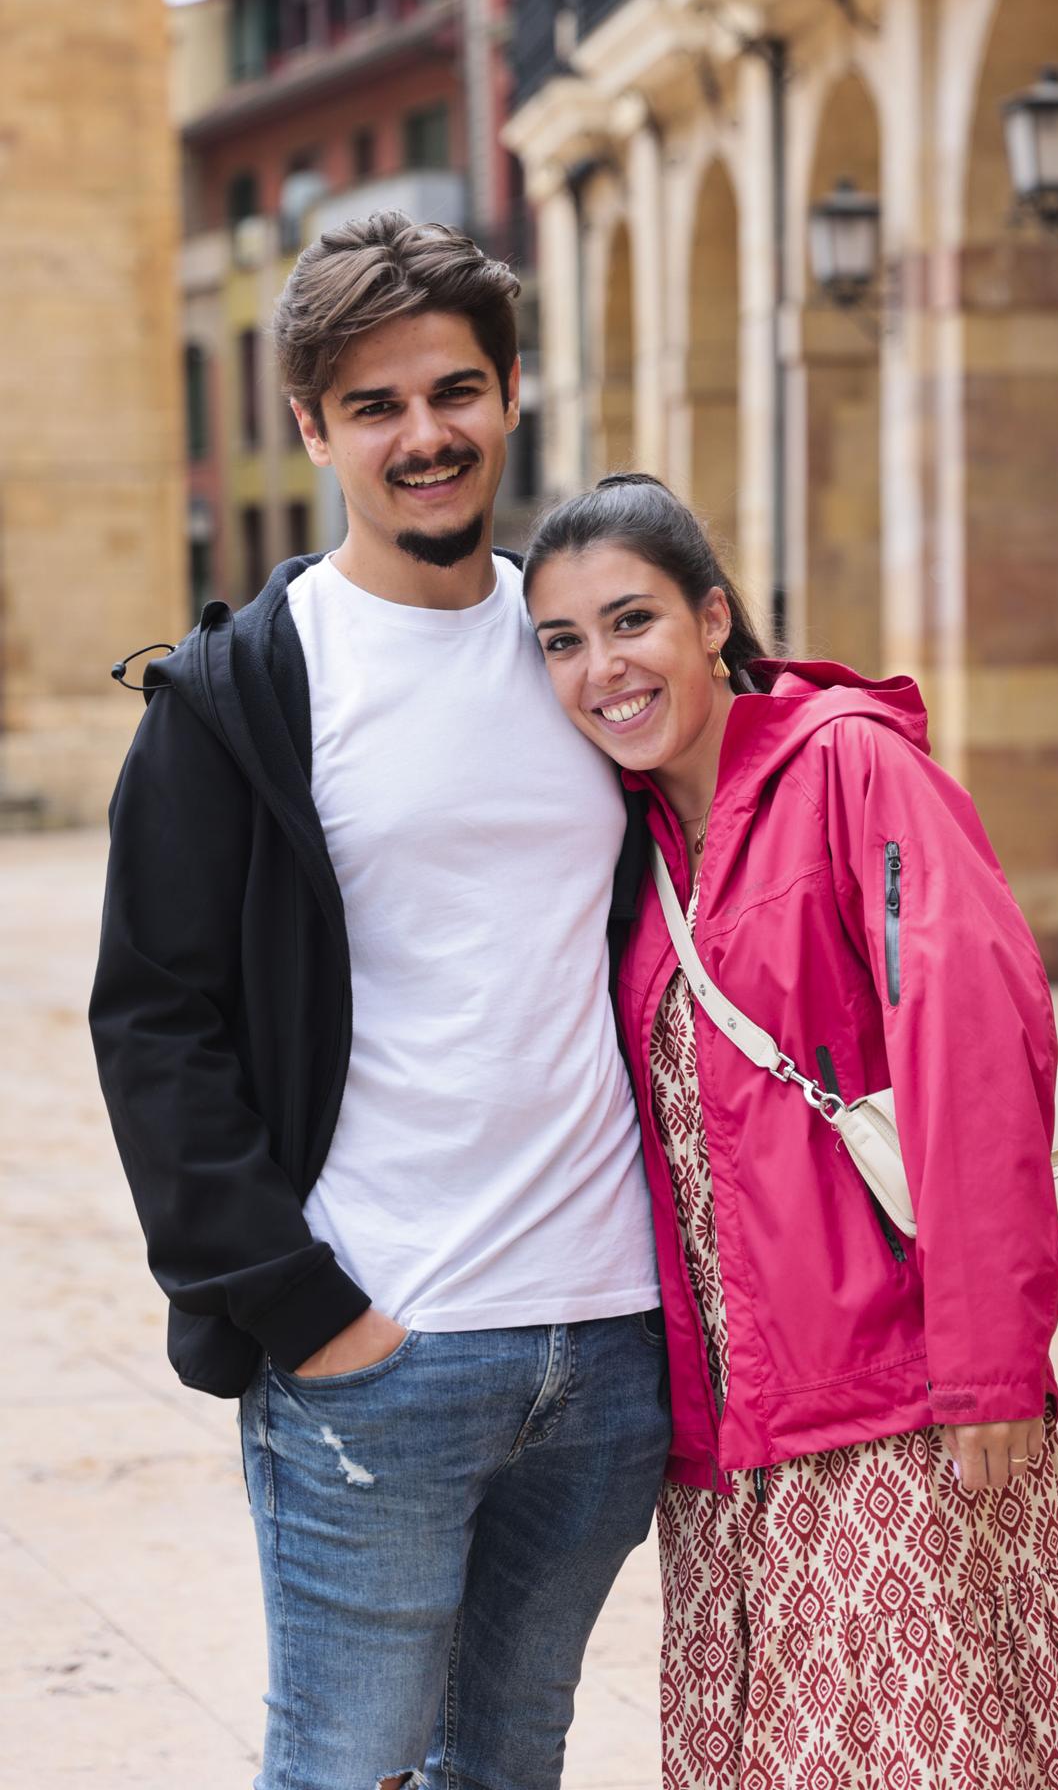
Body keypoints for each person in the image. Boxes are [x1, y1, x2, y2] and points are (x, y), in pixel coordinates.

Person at [88, 216, 670, 1790]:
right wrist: (304, 1310)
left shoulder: (592, 649)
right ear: (312, 426)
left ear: (512, 393)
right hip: (378, 1350)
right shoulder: (239, 696)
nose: (426, 437)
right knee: (345, 1769)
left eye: (456, 391)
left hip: (611, 1334)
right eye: (375, 405)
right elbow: (153, 1018)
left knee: (508, 1764)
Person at [523, 473, 1058, 1790]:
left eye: (631, 622)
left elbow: (975, 1058)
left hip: (895, 1406)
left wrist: (985, 1369)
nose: (602, 668)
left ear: (713, 617)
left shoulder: (851, 769)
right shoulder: (624, 842)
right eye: (562, 642)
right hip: (734, 1447)